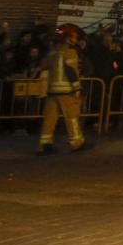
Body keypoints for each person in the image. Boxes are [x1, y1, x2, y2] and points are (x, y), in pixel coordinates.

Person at [38, 24, 87, 154]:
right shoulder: (69, 52)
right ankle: (77, 143)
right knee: (71, 117)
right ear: (67, 38)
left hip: (51, 91)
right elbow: (71, 71)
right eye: (74, 37)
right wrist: (77, 88)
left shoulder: (52, 52)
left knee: (50, 118)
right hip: (66, 91)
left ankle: (45, 145)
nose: (76, 39)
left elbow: (44, 67)